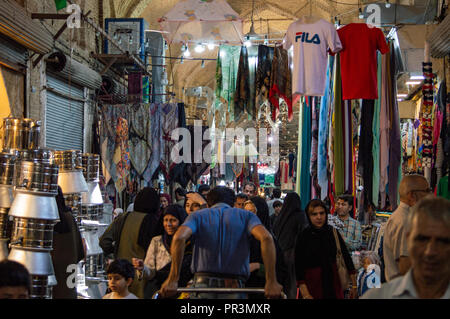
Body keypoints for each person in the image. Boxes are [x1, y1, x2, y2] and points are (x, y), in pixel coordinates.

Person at [159, 186, 283, 299]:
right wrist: (271, 281)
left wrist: (173, 279)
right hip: (235, 287)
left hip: (202, 286)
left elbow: (179, 238)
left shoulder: (197, 216)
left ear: (208, 204)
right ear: (233, 203)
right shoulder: (246, 216)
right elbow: (266, 238)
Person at [362, 196, 450, 299]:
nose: (429, 251)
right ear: (408, 240)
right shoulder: (377, 296)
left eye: (442, 241)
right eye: (422, 239)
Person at [99, 187, 161, 299]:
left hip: (119, 275)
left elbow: (104, 241)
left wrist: (116, 254)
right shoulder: (154, 222)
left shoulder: (123, 217)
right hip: (141, 279)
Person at [295, 199, 357, 299]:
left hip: (332, 283)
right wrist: (305, 293)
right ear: (308, 216)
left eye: (322, 213)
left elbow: (346, 257)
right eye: (314, 214)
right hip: (312, 286)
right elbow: (298, 265)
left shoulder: (333, 232)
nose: (319, 217)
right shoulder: (304, 236)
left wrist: (354, 284)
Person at [132, 205, 192, 298]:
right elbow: (150, 272)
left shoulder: (189, 245)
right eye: (166, 220)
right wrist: (143, 267)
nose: (168, 224)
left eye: (173, 220)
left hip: (183, 293)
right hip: (160, 292)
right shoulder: (157, 241)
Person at [383, 174, 432, 281]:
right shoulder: (405, 221)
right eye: (427, 191)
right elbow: (405, 265)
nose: (430, 195)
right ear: (412, 195)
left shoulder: (404, 217)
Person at [52, 186, 85, 299]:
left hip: (51, 281)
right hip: (68, 280)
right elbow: (80, 252)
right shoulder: (69, 218)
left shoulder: (46, 220)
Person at [272, 192, 307, 299]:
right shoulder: (300, 216)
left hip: (278, 254)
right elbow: (303, 235)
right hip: (293, 255)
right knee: (292, 284)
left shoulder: (279, 217)